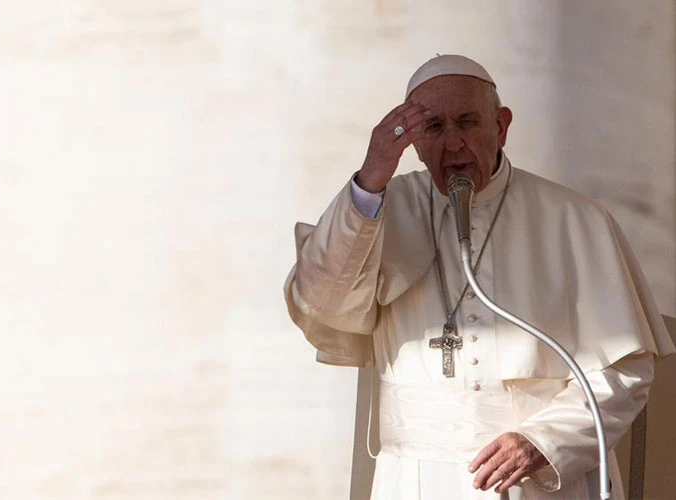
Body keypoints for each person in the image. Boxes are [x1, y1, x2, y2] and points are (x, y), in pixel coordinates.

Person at [283, 54, 675, 500]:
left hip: (539, 482)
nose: (453, 144)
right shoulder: (379, 211)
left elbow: (623, 369)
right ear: (412, 141)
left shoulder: (574, 219)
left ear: (501, 126)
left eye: (468, 123)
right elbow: (321, 303)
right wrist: (371, 177)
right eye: (432, 128)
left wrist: (546, 442)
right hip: (414, 480)